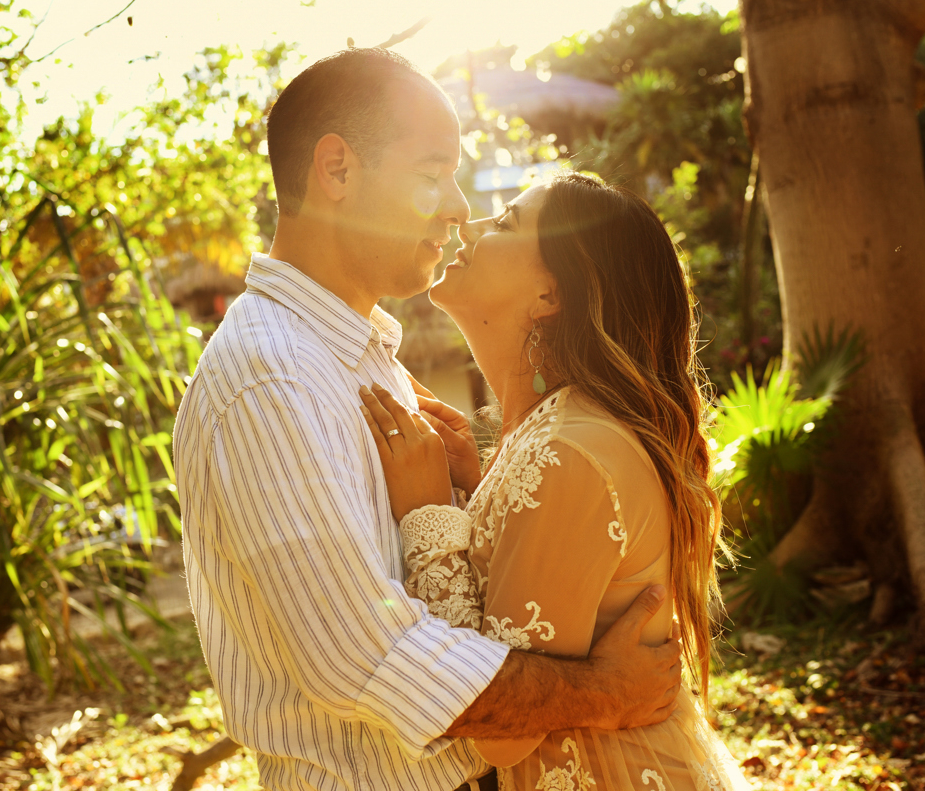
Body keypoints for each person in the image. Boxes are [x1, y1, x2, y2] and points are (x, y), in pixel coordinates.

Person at [172, 47, 684, 791]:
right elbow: (366, 659)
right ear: (337, 170)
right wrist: (606, 694)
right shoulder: (270, 377)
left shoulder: (359, 353)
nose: (456, 204)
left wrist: (467, 507)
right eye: (430, 173)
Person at [356, 173, 754, 790]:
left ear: (549, 294)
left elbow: (501, 732)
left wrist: (429, 512)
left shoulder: (568, 449)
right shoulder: (555, 434)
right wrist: (473, 490)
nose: (471, 225)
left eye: (506, 221)